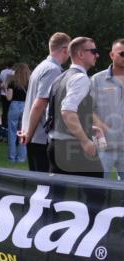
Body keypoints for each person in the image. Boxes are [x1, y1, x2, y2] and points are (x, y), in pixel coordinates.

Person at [46, 36, 103, 177]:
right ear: (81, 54)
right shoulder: (80, 78)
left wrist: (88, 126)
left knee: (57, 196)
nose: (97, 55)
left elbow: (54, 113)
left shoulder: (60, 78)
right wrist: (85, 141)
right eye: (93, 51)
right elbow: (67, 111)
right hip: (73, 148)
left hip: (55, 145)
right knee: (96, 194)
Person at [19, 32, 72, 172]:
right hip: (40, 136)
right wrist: (29, 134)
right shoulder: (53, 70)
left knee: (39, 184)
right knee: (44, 187)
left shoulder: (41, 66)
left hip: (33, 133)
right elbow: (39, 104)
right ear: (65, 49)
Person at [91, 38, 124, 180]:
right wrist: (99, 124)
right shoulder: (97, 79)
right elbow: (86, 108)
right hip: (103, 147)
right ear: (111, 55)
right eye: (122, 53)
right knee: (97, 189)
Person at [6, 62, 31, 163]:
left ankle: (12, 157)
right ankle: (21, 158)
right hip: (26, 106)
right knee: (23, 133)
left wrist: (5, 88)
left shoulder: (13, 82)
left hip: (14, 106)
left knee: (12, 132)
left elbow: (9, 98)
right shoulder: (30, 82)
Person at [0, 61, 14, 131]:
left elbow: (1, 81)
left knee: (4, 110)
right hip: (10, 93)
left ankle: (3, 124)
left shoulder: (3, 72)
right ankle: (8, 124)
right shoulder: (14, 72)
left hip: (3, 93)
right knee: (10, 109)